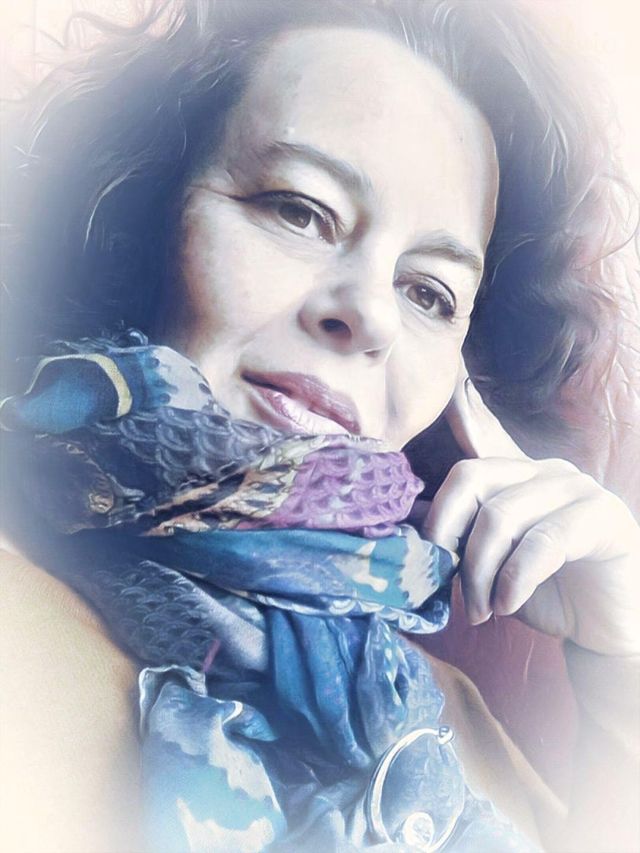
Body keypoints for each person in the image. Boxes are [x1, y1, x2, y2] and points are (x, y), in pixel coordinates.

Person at [1, 1, 638, 851]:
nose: (369, 314)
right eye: (300, 211)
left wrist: (620, 662)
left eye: (428, 292)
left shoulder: (445, 726)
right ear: (147, 219)